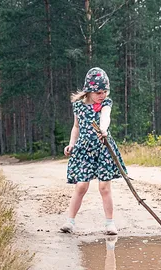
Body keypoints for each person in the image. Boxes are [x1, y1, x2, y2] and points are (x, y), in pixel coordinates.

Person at [60, 67, 127, 235]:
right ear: (89, 91)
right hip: (83, 149)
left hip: (103, 148)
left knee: (104, 187)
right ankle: (70, 221)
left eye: (105, 91)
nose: (102, 95)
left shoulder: (105, 104)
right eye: (98, 92)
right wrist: (71, 144)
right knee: (81, 186)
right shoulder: (78, 106)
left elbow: (106, 117)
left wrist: (103, 129)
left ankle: (110, 223)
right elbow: (76, 126)